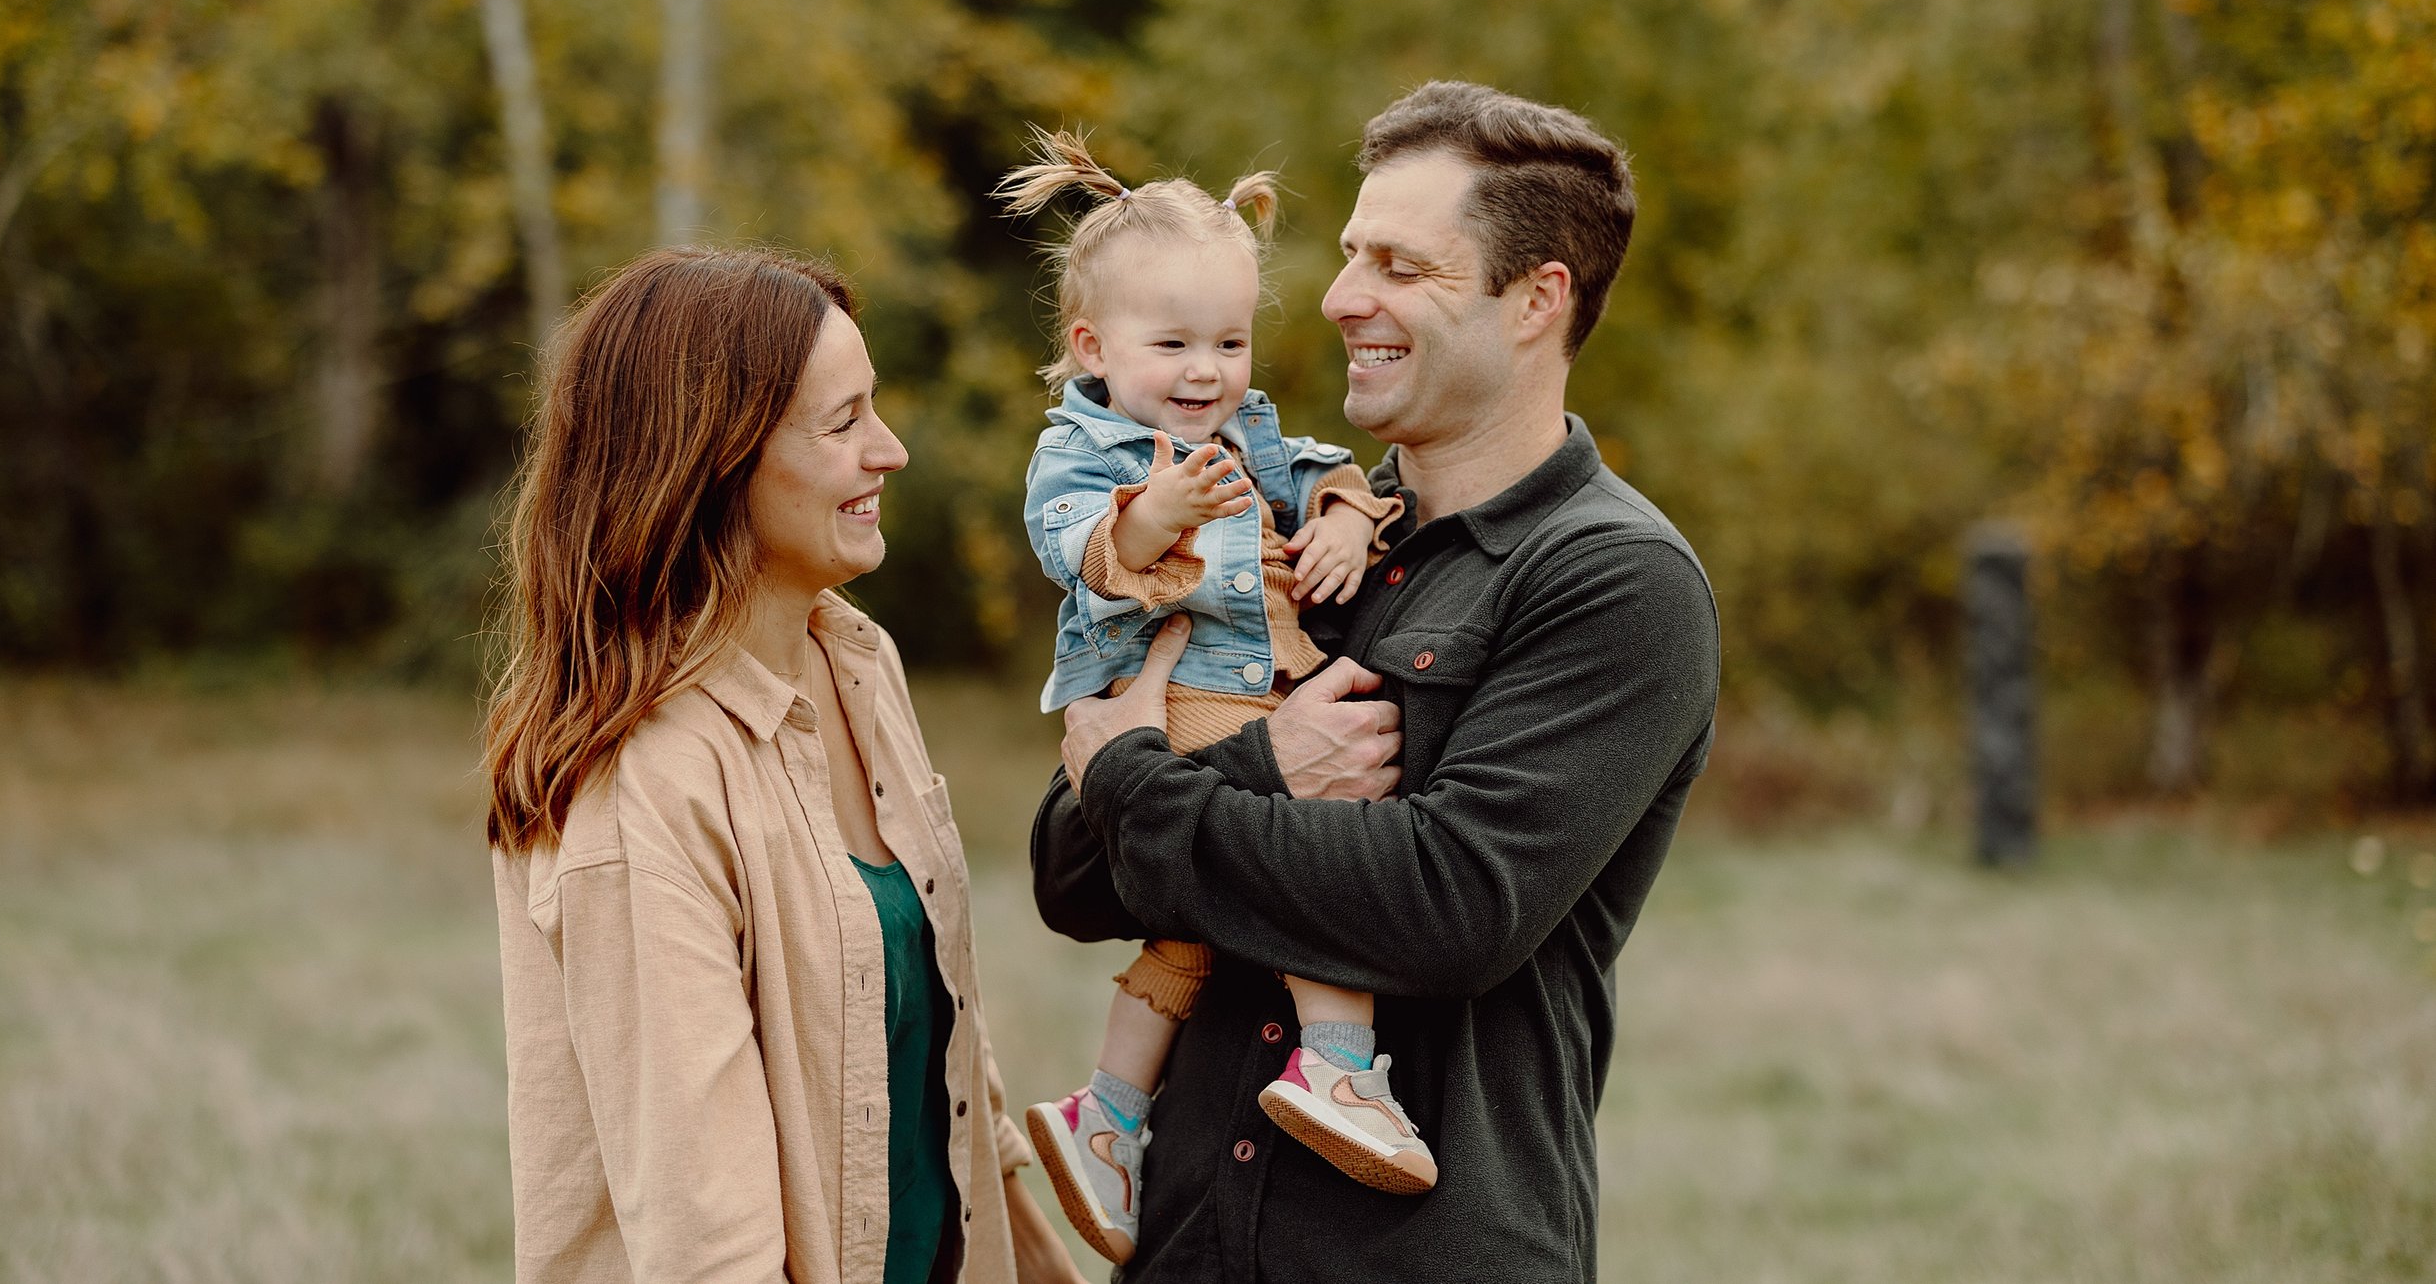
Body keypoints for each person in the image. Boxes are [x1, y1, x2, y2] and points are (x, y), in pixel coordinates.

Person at [1031, 82, 1722, 1282]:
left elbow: (1446, 905)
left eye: (1401, 265)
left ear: (1536, 299)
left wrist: (1148, 781)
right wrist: (1263, 767)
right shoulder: (1289, 534)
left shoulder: (1616, 581)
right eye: (1351, 255)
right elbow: (1070, 870)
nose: (1345, 297)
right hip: (1189, 1244)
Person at [484, 248, 1085, 1284]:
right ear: (711, 460)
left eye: (875, 409)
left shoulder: (856, 661)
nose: (889, 450)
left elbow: (942, 1054)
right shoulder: (648, 787)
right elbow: (705, 1238)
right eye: (843, 421)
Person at [992, 133, 1428, 1267]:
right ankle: (1338, 1059)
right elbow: (1078, 549)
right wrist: (1154, 509)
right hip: (1181, 693)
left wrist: (1338, 512)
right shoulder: (1085, 449)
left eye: (1228, 341)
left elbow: (1323, 468)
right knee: (1311, 847)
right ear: (1092, 344)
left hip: (1239, 697)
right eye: (1172, 342)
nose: (1206, 370)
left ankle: (1106, 1116)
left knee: (1186, 936)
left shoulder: (1247, 429)